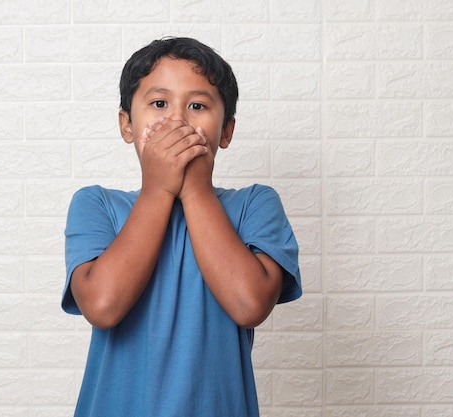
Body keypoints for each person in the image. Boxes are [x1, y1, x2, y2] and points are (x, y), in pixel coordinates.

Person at [62, 37, 301, 417]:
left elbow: (248, 304)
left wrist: (196, 191)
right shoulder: (96, 204)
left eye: (197, 105)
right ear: (127, 125)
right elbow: (103, 306)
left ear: (225, 131)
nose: (177, 120)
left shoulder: (255, 204)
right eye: (159, 104)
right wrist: (158, 189)